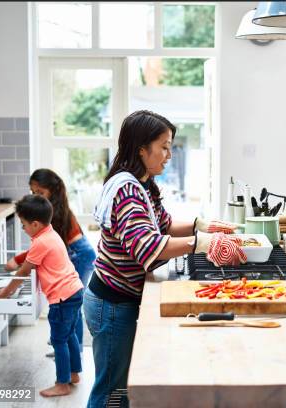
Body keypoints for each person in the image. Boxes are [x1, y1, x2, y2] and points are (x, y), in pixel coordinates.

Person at [84, 110, 245, 408]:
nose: (169, 154)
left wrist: (202, 225)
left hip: (119, 298)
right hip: (111, 304)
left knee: (120, 391)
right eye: (164, 146)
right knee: (110, 393)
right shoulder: (127, 192)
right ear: (141, 149)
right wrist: (202, 242)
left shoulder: (141, 183)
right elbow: (149, 247)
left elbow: (163, 225)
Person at [0, 195, 84, 397]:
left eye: (23, 225)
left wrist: (6, 292)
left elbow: (23, 272)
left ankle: (62, 384)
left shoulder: (40, 243)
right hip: (74, 291)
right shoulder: (51, 234)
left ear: (35, 224)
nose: (23, 229)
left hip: (62, 299)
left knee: (58, 340)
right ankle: (73, 374)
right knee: (69, 334)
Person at [7, 168, 96, 352]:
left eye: (40, 192)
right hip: (81, 252)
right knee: (72, 306)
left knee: (72, 307)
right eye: (33, 192)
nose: (37, 196)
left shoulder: (51, 212)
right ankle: (69, 347)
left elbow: (41, 248)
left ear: (52, 190)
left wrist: (17, 260)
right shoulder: (54, 207)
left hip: (79, 254)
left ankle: (72, 349)